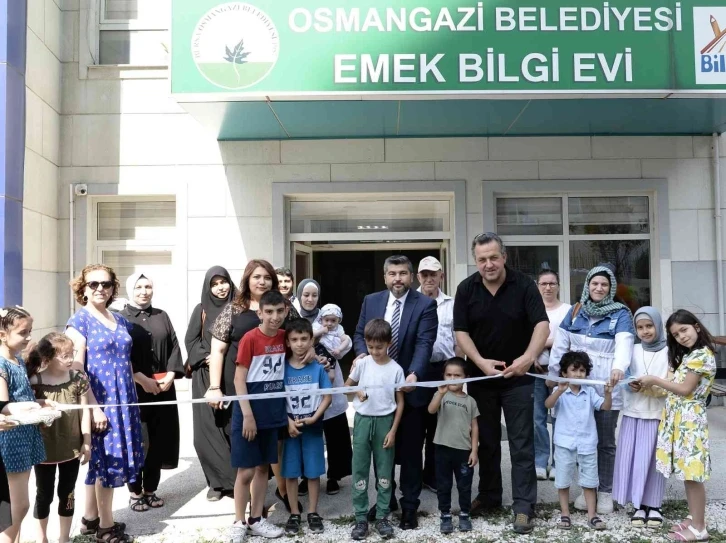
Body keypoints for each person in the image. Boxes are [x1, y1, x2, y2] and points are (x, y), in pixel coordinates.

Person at [453, 233, 549, 534]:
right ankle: (490, 495)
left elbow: (542, 325)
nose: (489, 264)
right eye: (482, 259)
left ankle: (523, 506)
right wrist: (480, 362)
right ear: (475, 261)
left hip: (519, 378)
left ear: (504, 257)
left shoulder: (524, 285)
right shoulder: (466, 289)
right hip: (483, 378)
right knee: (487, 441)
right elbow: (460, 332)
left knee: (521, 443)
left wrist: (527, 358)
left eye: (494, 257)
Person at [353, 255, 437, 529]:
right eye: (392, 273)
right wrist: (362, 356)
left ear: (411, 276)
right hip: (377, 395)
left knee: (411, 453)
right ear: (385, 277)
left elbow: (424, 342)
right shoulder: (371, 301)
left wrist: (414, 373)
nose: (397, 278)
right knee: (382, 453)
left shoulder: (425, 304)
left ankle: (409, 505)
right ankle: (385, 501)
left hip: (409, 391)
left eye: (402, 273)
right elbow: (359, 335)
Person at [548, 264, 635, 515]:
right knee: (580, 439)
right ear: (587, 285)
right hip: (576, 386)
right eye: (594, 283)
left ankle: (605, 492)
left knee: (605, 441)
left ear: (611, 288)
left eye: (604, 284)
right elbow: (561, 343)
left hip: (606, 385)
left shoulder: (621, 314)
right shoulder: (576, 311)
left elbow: (625, 344)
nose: (599, 288)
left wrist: (618, 368)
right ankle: (587, 489)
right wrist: (554, 375)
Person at [66, 264, 144, 543]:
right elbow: (76, 371)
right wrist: (94, 408)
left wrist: (143, 381)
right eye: (94, 284)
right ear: (83, 288)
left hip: (124, 399)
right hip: (100, 401)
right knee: (106, 463)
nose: (100, 288)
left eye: (106, 284)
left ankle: (90, 519)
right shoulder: (79, 322)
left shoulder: (119, 319)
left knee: (101, 463)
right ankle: (106, 528)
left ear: (113, 288)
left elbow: (125, 360)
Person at [639, 310, 716, 542]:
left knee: (693, 475)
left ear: (696, 327)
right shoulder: (690, 355)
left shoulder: (701, 355)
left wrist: (654, 379)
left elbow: (684, 389)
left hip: (690, 421)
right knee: (687, 473)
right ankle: (694, 517)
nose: (681, 336)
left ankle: (699, 528)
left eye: (684, 330)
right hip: (681, 420)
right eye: (676, 334)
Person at [228, 290, 289, 542]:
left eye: (279, 311)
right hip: (249, 414)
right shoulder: (250, 339)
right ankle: (238, 521)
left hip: (272, 414)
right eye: (269, 312)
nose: (275, 317)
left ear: (286, 311)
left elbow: (305, 346)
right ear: (260, 313)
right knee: (246, 471)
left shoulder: (285, 337)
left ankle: (256, 518)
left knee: (264, 468)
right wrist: (247, 415)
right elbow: (238, 379)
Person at [121, 273, 184, 511]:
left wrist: (171, 373)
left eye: (147, 286)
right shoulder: (121, 318)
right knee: (139, 439)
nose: (144, 291)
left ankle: (150, 489)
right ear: (130, 290)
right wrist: (139, 377)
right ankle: (135, 491)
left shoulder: (161, 315)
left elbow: (174, 345)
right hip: (135, 390)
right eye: (138, 287)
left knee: (159, 439)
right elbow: (120, 354)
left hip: (163, 387)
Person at [27, 332, 91, 543]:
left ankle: (64, 538)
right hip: (43, 451)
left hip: (71, 448)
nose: (71, 359)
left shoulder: (78, 378)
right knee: (43, 494)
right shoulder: (34, 382)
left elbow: (85, 411)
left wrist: (87, 442)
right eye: (64, 356)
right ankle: (42, 538)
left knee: (68, 493)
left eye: (72, 353)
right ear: (48, 357)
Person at [345, 319, 404, 541]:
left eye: (379, 347)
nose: (375, 351)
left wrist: (393, 431)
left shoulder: (396, 369)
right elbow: (346, 387)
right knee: (359, 469)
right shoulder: (362, 364)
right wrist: (357, 391)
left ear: (389, 343)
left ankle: (382, 516)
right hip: (362, 422)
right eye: (370, 346)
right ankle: (360, 517)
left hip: (385, 423)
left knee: (385, 470)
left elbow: (400, 402)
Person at [613, 307, 668, 527]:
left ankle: (654, 505)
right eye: (640, 327)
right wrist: (630, 384)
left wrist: (653, 384)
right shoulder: (633, 349)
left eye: (649, 326)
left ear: (658, 326)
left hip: (657, 414)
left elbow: (672, 379)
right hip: (633, 412)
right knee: (635, 460)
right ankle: (637, 504)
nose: (645, 331)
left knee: (654, 461)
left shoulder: (670, 351)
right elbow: (624, 374)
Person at [184, 266, 237, 501]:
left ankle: (237, 481)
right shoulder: (202, 310)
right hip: (205, 376)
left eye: (223, 282)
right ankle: (217, 483)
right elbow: (190, 340)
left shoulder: (239, 307)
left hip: (232, 374)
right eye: (214, 284)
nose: (220, 288)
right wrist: (207, 355)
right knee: (205, 432)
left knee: (231, 428)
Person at [546, 351, 612, 531]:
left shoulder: (589, 391)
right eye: (574, 370)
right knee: (563, 480)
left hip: (587, 444)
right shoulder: (559, 391)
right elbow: (548, 405)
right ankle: (565, 514)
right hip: (564, 443)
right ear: (564, 373)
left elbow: (605, 407)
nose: (578, 374)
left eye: (582, 370)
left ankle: (592, 515)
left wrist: (608, 394)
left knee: (590, 481)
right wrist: (559, 390)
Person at [0, 307, 47, 543]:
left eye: (30, 331)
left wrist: (41, 404)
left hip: (25, 436)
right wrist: (32, 408)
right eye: (22, 333)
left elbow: (21, 398)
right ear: (2, 334)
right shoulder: (1, 365)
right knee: (16, 507)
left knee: (18, 506)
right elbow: (3, 407)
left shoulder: (17, 359)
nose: (29, 337)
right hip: (11, 440)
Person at [282, 319, 333, 536]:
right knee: (291, 472)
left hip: (312, 427)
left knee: (313, 472)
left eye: (304, 339)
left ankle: (313, 511)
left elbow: (327, 396)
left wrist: (315, 417)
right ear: (287, 342)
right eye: (294, 339)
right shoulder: (282, 368)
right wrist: (287, 422)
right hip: (291, 428)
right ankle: (294, 512)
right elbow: (277, 399)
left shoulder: (317, 368)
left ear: (311, 340)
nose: (300, 344)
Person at [416, 256, 461, 491]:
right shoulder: (410, 302)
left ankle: (432, 476)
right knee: (415, 426)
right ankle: (413, 477)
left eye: (433, 274)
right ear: (418, 277)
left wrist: (457, 373)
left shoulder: (451, 304)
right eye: (424, 274)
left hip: (444, 371)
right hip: (416, 371)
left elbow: (458, 341)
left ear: (441, 276)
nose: (429, 279)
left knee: (439, 426)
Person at [427, 357, 479, 534]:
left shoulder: (470, 401)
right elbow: (431, 410)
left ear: (466, 377)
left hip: (463, 451)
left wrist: (474, 450)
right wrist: (440, 394)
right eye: (448, 375)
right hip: (442, 448)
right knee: (443, 484)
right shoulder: (441, 395)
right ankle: (445, 515)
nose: (452, 378)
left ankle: (464, 514)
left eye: (457, 375)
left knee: (464, 485)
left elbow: (474, 427)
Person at [534, 269, 571, 481]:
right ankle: (540, 461)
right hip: (536, 370)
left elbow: (569, 340)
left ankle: (559, 462)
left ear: (558, 286)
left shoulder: (568, 311)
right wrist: (532, 356)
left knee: (560, 418)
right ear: (537, 286)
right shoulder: (531, 308)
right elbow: (525, 339)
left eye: (552, 283)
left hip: (561, 372)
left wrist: (541, 344)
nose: (548, 287)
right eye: (543, 284)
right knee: (537, 418)